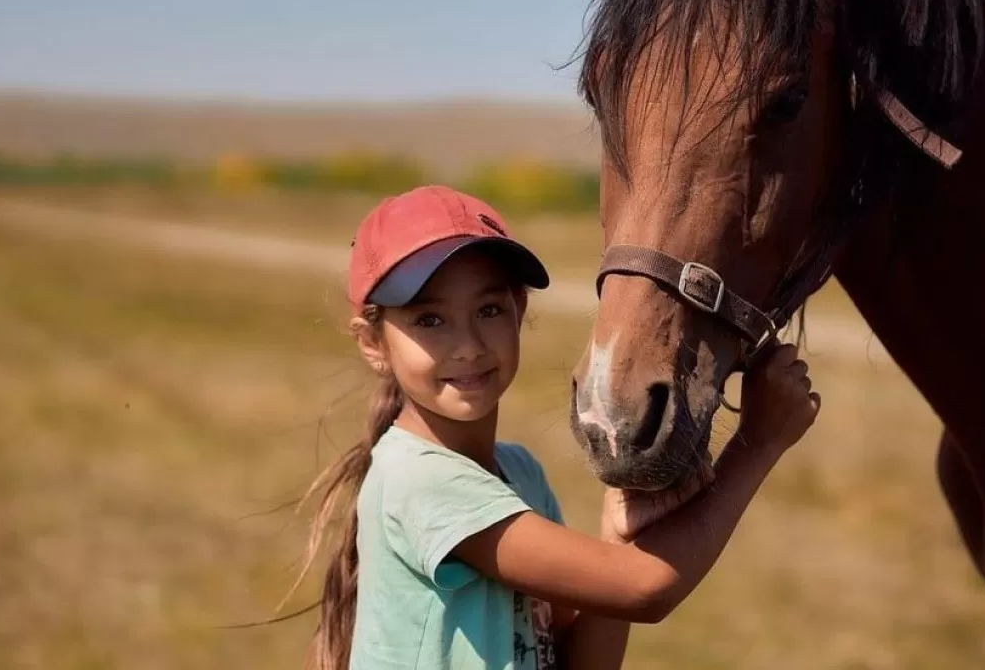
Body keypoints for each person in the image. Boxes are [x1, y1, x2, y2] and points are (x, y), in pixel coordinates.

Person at [290, 185, 820, 670]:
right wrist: (758, 443)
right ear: (372, 343)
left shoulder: (519, 473)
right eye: (430, 319)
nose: (470, 344)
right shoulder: (422, 484)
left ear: (519, 312)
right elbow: (645, 590)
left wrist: (616, 535)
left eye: (490, 309)